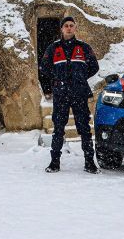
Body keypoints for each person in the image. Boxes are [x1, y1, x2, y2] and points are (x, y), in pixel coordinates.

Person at [40, 16, 100, 173]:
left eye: (71, 25)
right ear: (61, 28)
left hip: (79, 94)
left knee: (85, 129)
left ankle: (89, 163)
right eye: (66, 25)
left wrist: (79, 77)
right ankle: (54, 163)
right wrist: (58, 78)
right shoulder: (53, 48)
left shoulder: (84, 47)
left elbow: (94, 66)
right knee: (58, 129)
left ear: (75, 28)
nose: (68, 28)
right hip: (60, 95)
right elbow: (44, 67)